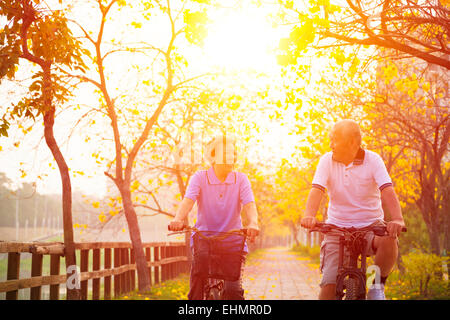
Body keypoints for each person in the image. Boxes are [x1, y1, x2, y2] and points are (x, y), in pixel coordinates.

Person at [300, 119, 406, 300]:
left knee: (390, 238)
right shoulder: (327, 161)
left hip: (370, 228)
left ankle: (376, 287)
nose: (330, 144)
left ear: (353, 142)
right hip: (337, 230)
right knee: (327, 291)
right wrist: (309, 215)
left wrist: (397, 219)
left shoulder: (373, 160)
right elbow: (317, 190)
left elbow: (387, 190)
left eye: (335, 140)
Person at [169, 134, 259, 300]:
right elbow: (189, 200)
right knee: (196, 288)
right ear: (213, 156)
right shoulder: (200, 177)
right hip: (205, 239)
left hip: (232, 241)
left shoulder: (241, 179)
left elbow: (249, 204)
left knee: (233, 292)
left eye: (233, 153)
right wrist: (178, 219)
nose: (231, 157)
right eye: (226, 153)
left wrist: (253, 222)